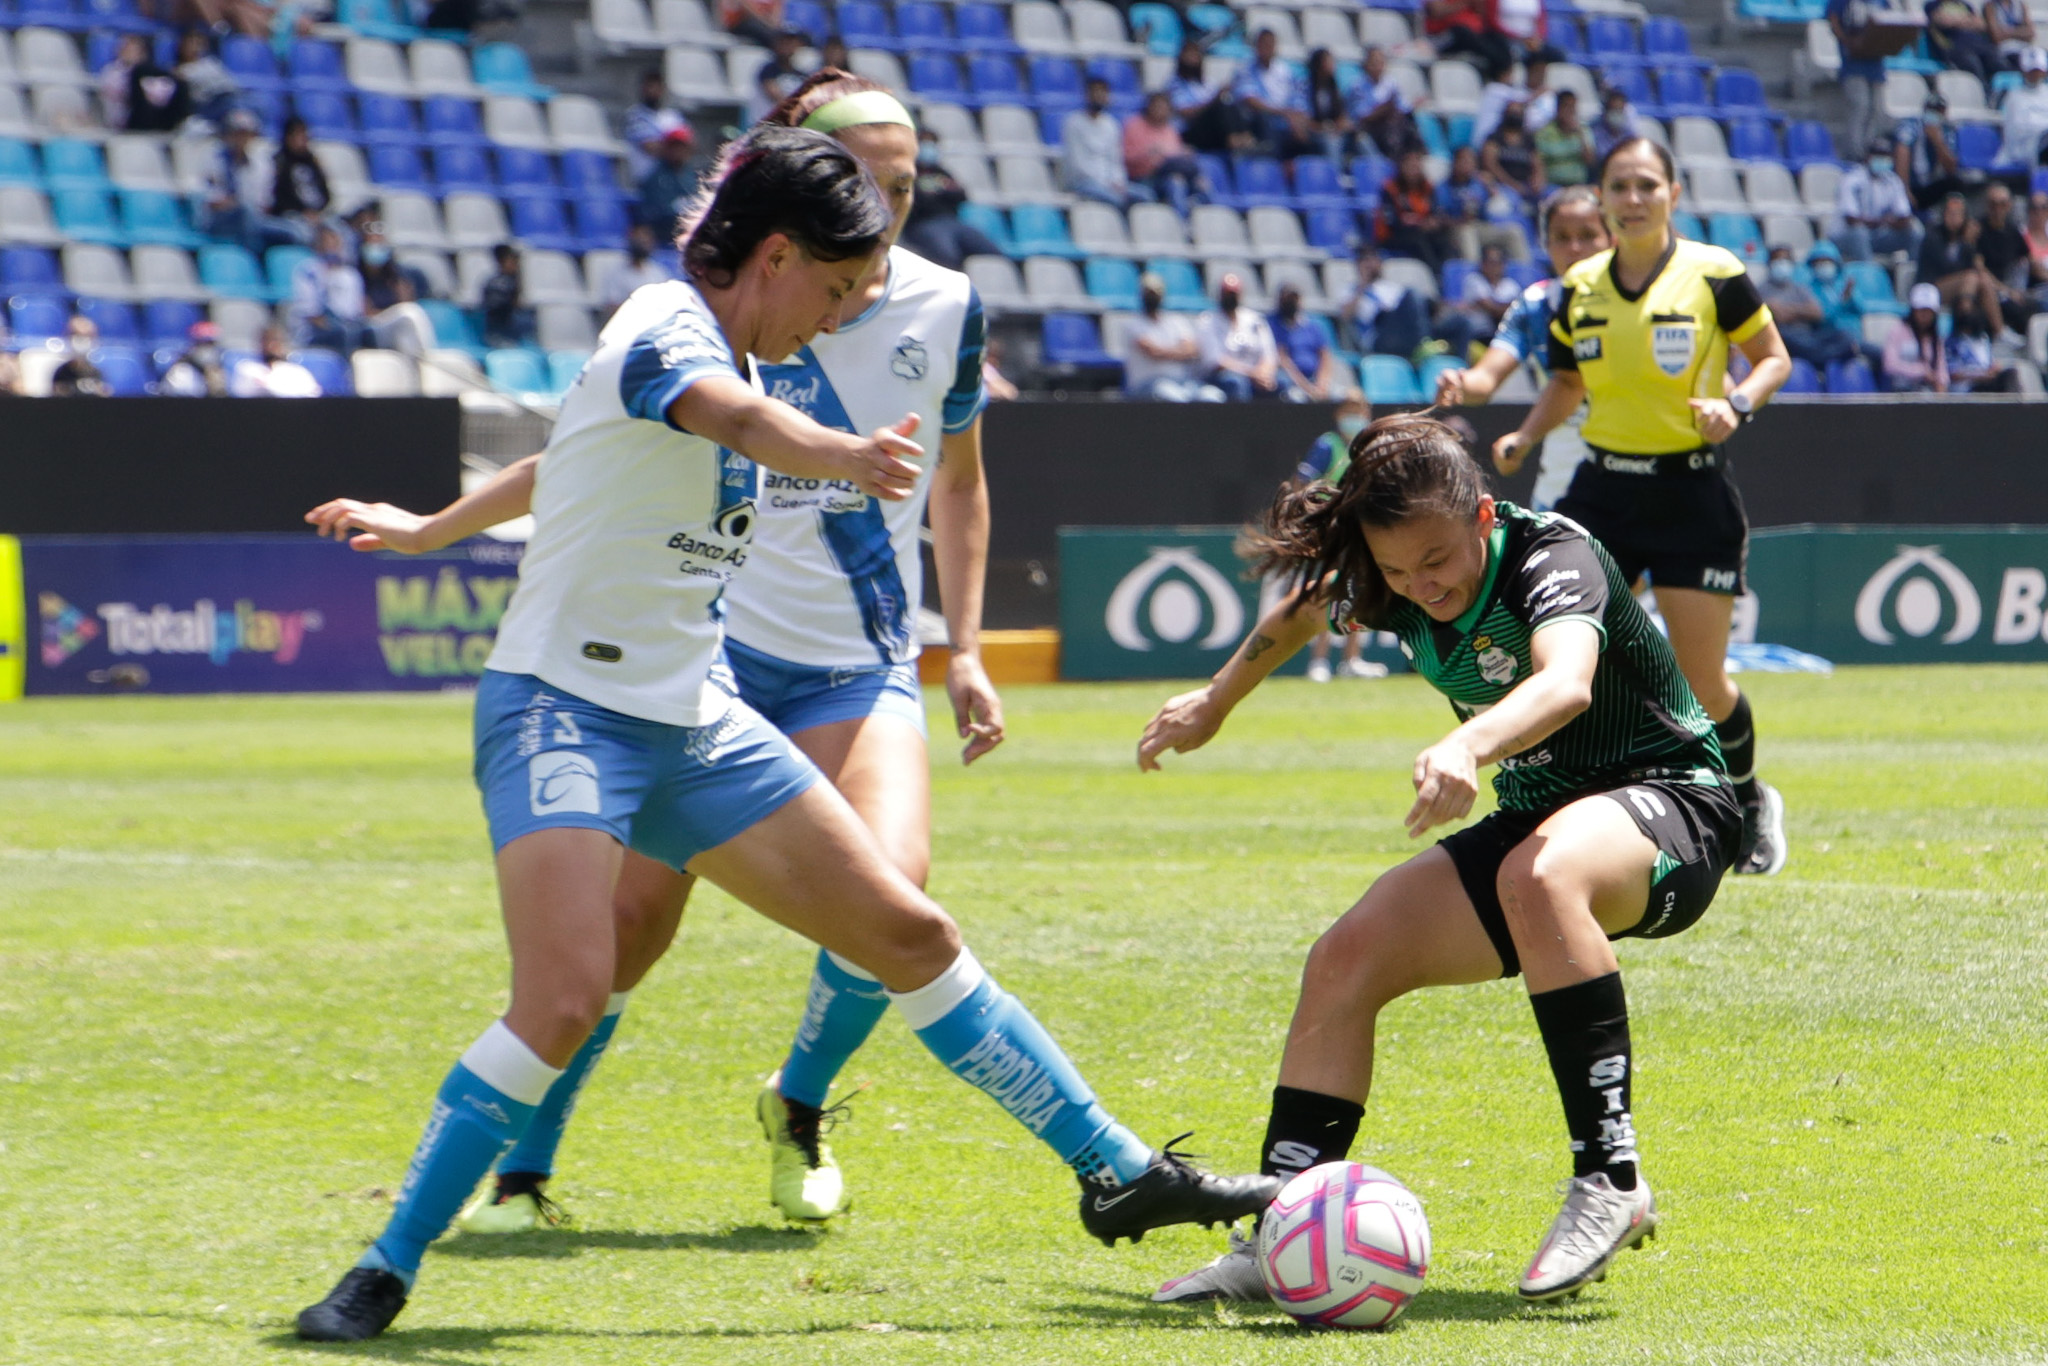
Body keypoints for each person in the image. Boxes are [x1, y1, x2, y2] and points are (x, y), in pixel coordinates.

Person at [291, 125, 1275, 1343]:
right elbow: (738, 430)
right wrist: (850, 455)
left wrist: (432, 526)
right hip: (560, 709)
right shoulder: (667, 326)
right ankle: (384, 1265)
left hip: (691, 719)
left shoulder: (729, 363)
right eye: (833, 288)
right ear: (769, 255)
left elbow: (573, 452)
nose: (838, 315)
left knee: (907, 927)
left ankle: (1117, 1170)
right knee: (564, 995)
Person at [1141, 414, 1741, 1306]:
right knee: (1347, 956)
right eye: (1394, 571)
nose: (1419, 586)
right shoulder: (1386, 582)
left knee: (1540, 875)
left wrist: (1470, 749)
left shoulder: (1554, 556)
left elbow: (1565, 682)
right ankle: (1280, 1229)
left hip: (1675, 804)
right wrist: (1217, 702)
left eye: (1435, 561)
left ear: (1483, 519)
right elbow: (1303, 610)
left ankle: (1609, 1181)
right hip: (1543, 819)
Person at [1493, 137, 1793, 878]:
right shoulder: (1579, 287)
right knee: (1559, 660)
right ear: (1601, 198)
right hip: (1604, 496)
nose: (1632, 199)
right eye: (1618, 187)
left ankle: (1750, 802)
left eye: (1646, 185)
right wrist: (1525, 436)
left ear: (1673, 193)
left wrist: (1738, 405)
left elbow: (1774, 358)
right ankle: (1564, 807)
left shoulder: (1715, 274)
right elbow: (1565, 383)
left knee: (1702, 683)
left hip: (1692, 493)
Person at [1436, 184, 1610, 509]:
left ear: (1611, 238)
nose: (1575, 247)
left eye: (1588, 235)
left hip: (1634, 484)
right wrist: (1460, 383)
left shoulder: (1641, 302)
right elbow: (1485, 380)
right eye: (1561, 237)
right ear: (1546, 243)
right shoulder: (1535, 305)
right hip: (1560, 489)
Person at [1292, 394, 1388, 684]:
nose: (1355, 417)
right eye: (1350, 411)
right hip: (1333, 528)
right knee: (1330, 592)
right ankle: (1319, 661)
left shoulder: (1370, 446)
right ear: (1338, 414)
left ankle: (1351, 659)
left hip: (1364, 528)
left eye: (1360, 411)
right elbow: (1301, 482)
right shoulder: (1327, 445)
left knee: (1361, 592)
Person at [902, 129, 1004, 270]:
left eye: (931, 143)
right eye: (924, 143)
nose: (928, 148)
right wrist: (942, 191)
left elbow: (962, 195)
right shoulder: (907, 172)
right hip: (923, 225)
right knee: (947, 257)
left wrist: (936, 193)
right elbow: (917, 201)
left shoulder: (940, 171)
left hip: (952, 222)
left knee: (991, 253)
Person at [201, 109, 295, 254]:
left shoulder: (261, 164)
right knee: (246, 211)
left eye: (245, 134)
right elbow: (213, 201)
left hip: (254, 217)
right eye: (237, 134)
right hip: (220, 220)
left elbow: (264, 202)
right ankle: (251, 256)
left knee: (293, 231)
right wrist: (235, 204)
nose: (241, 139)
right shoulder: (215, 160)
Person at [1121, 270, 1224, 401]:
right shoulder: (1133, 324)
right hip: (1147, 384)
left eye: (1155, 293)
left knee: (1212, 396)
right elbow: (1153, 352)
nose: (1152, 297)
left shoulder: (1176, 321)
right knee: (1174, 397)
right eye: (1148, 293)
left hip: (1182, 382)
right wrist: (1179, 352)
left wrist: (1165, 352)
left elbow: (1193, 350)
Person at [1760, 243, 1861, 367]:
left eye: (1786, 260)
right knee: (1785, 337)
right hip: (1787, 336)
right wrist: (1802, 311)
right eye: (1778, 260)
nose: (1782, 264)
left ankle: (1823, 356)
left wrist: (1788, 310)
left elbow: (1817, 313)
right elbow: (1780, 317)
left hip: (1809, 335)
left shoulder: (1799, 288)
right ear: (1769, 263)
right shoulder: (1761, 291)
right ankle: (1831, 356)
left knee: (1844, 336)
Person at [1918, 190, 2005, 333]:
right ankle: (1965, 325)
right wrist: (1966, 243)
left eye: (1958, 214)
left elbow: (1973, 267)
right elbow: (1946, 268)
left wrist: (1970, 246)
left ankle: (1999, 331)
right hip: (1931, 287)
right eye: (1950, 214)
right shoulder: (1933, 237)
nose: (1954, 218)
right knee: (1970, 278)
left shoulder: (1964, 240)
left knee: (1981, 279)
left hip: (1963, 287)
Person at [1831, 136, 1924, 261]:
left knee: (1914, 233)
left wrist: (1886, 222)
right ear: (1868, 157)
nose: (1882, 159)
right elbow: (1851, 220)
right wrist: (1884, 221)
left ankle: (1913, 275)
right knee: (1860, 233)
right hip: (1845, 237)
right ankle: (1871, 276)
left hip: (1878, 235)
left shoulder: (1893, 181)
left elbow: (1904, 218)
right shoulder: (1852, 179)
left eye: (1885, 156)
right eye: (1878, 155)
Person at [1198, 272, 1283, 400]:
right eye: (1227, 294)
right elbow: (1216, 361)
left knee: (1281, 382)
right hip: (1223, 376)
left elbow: (1269, 355)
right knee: (1237, 383)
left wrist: (1264, 373)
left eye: (1233, 294)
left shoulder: (1255, 319)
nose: (1230, 297)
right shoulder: (1208, 321)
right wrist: (1252, 373)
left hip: (1256, 374)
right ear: (1220, 294)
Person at [1341, 245, 1437, 357]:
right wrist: (1363, 286)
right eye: (1365, 261)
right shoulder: (1351, 290)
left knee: (1457, 321)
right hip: (1377, 338)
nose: (1370, 265)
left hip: (1403, 332)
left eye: (1374, 260)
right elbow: (1345, 316)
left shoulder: (1391, 288)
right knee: (1411, 294)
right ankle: (1424, 344)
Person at [1063, 77, 1146, 208]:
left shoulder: (1111, 124)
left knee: (1146, 196)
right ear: (1087, 95)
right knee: (1116, 200)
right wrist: (1105, 183)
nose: (1099, 96)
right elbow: (1077, 163)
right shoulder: (1074, 123)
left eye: (1103, 93)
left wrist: (1118, 181)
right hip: (1083, 182)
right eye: (1095, 92)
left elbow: (1115, 159)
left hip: (1110, 182)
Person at [1440, 144, 1529, 262]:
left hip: (1481, 227)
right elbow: (1441, 218)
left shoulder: (1479, 184)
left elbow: (1498, 203)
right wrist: (1461, 220)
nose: (1468, 163)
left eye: (1471, 160)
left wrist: (1489, 185)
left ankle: (1524, 272)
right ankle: (1473, 274)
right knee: (1467, 232)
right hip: (1456, 229)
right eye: (1464, 160)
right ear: (1455, 163)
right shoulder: (1444, 187)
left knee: (1514, 232)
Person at [357, 225, 438, 355]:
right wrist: (393, 312)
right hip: (370, 328)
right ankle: (427, 357)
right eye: (372, 243)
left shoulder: (395, 274)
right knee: (408, 314)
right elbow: (366, 313)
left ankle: (421, 361)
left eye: (379, 243)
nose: (376, 248)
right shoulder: (357, 276)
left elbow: (407, 301)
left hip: (396, 325)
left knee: (407, 326)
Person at [1124, 91, 1206, 217]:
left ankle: (1210, 224)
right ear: (1149, 107)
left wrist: (1184, 153)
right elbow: (1125, 158)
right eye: (1157, 106)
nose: (1161, 110)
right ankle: (1181, 224)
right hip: (1145, 178)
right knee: (1175, 182)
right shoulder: (1134, 126)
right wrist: (1147, 153)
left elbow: (1175, 156)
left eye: (1164, 107)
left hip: (1169, 173)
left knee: (1202, 183)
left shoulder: (1170, 130)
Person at [1827, 0, 1890, 160]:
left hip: (1876, 63)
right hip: (1853, 63)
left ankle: (1871, 150)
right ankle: (1854, 153)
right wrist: (1847, 41)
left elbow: (1890, 20)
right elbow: (1833, 19)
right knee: (1859, 106)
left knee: (1876, 110)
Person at [1233, 29, 1310, 158]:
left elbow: (1297, 97)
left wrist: (1296, 116)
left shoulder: (1285, 70)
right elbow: (1250, 100)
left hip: (1285, 118)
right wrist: (1283, 113)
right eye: (1263, 44)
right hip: (1259, 119)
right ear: (1257, 46)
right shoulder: (1245, 70)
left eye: (1270, 44)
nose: (1267, 48)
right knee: (1267, 122)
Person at [290, 225, 367, 352]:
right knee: (343, 334)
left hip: (346, 326)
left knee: (367, 333)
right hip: (313, 332)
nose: (331, 245)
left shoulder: (351, 274)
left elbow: (354, 312)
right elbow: (311, 314)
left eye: (335, 241)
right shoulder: (308, 271)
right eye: (327, 241)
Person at [1975, 181, 2039, 330]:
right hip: (1990, 290)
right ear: (1987, 205)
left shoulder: (2012, 230)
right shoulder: (1977, 231)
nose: (1997, 209)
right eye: (1993, 204)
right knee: (2019, 313)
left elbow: (2032, 262)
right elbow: (1980, 270)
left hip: (2011, 287)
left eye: (2002, 204)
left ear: (2009, 205)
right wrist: (2008, 292)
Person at [1377, 147, 1451, 274]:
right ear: (1402, 166)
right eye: (1410, 164)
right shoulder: (1390, 189)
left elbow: (1434, 212)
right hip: (1394, 234)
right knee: (1418, 240)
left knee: (1443, 239)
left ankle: (1448, 275)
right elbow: (1391, 221)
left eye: (1417, 164)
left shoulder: (1427, 188)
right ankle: (1435, 274)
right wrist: (1417, 222)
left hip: (1422, 230)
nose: (1414, 168)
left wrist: (1433, 222)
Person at [1270, 283, 1344, 401]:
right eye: (1287, 298)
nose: (1290, 302)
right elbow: (1283, 360)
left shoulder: (1313, 326)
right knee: (1295, 398)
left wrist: (1322, 384)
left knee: (1342, 397)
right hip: (1293, 383)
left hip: (1315, 380)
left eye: (1293, 298)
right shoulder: (1273, 326)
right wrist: (1307, 387)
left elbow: (1325, 357)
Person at [1474, 54, 1558, 149]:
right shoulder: (1494, 89)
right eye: (1510, 73)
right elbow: (1516, 102)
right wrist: (1537, 94)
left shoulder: (1513, 92)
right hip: (1485, 140)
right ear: (1503, 74)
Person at [1349, 46, 1420, 158]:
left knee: (1410, 128)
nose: (1377, 66)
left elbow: (1403, 106)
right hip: (1370, 128)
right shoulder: (1358, 87)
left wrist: (1413, 105)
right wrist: (1381, 109)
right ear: (1366, 64)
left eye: (1380, 62)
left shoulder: (1391, 83)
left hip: (1391, 126)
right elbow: (1360, 115)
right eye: (1374, 62)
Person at [268, 117, 332, 238]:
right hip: (292, 214)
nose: (303, 139)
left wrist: (318, 212)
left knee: (340, 232)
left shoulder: (313, 162)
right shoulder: (279, 163)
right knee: (304, 233)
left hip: (318, 214)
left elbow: (326, 193)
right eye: (298, 135)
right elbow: (279, 196)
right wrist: (303, 212)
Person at [637, 126, 702, 242]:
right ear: (665, 148)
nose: (678, 151)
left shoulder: (693, 175)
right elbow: (654, 213)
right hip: (663, 238)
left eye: (682, 146)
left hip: (690, 238)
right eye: (674, 146)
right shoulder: (655, 178)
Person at [1945, 289, 2020, 388]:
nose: (1968, 314)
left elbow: (1990, 365)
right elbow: (1953, 373)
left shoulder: (1983, 339)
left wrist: (1995, 368)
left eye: (1971, 309)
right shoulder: (1951, 342)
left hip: (1986, 383)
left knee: (2010, 374)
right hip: (1967, 388)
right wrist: (1981, 375)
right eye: (1963, 311)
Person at [624, 70, 689, 183]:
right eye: (650, 86)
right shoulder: (635, 115)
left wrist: (676, 150)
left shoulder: (673, 115)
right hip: (648, 177)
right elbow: (650, 147)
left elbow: (690, 145)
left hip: (676, 175)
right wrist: (675, 150)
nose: (653, 91)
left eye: (657, 87)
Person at [1481, 103, 1546, 216]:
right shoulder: (1495, 138)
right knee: (1512, 206)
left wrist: (1538, 181)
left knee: (1551, 198)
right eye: (1512, 113)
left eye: (1518, 113)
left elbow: (1537, 164)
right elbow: (1491, 165)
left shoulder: (1528, 140)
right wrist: (1513, 185)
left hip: (1527, 185)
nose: (1515, 116)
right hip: (1502, 185)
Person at [1883, 281, 1950, 389]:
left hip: (1927, 391)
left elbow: (1941, 369)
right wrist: (1920, 371)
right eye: (1921, 310)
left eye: (1928, 311)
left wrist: (1941, 382)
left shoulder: (1936, 339)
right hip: (1900, 390)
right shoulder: (1898, 331)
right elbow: (1890, 365)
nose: (1924, 315)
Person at [1425, 0, 1513, 82]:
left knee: (1498, 39)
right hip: (1448, 34)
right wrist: (1464, 3)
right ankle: (1499, 76)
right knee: (1462, 32)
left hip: (1475, 32)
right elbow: (1436, 11)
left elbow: (1483, 14)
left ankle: (1502, 77)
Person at [175, 28, 241, 128]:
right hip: (206, 105)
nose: (195, 47)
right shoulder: (180, 70)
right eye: (191, 43)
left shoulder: (211, 62)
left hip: (227, 98)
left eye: (198, 43)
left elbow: (229, 84)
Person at [602, 223, 676, 311]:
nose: (643, 244)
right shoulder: (617, 274)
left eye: (646, 241)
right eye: (640, 241)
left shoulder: (657, 271)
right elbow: (612, 305)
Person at [232, 324, 322, 396]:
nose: (271, 345)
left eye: (276, 341)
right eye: (266, 340)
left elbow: (312, 394)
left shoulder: (297, 372)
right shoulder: (247, 369)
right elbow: (241, 394)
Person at [1454, 241, 1522, 336]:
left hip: (1503, 333)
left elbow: (1519, 309)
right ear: (1482, 264)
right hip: (1476, 335)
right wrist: (1509, 307)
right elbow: (1492, 309)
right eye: (1490, 262)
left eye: (1498, 262)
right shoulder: (1474, 280)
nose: (1494, 267)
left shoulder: (1511, 285)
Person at [1927, 0, 2002, 83]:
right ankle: (1983, 91)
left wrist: (1956, 20)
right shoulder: (1933, 5)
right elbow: (1944, 21)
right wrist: (1968, 20)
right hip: (1954, 48)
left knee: (1998, 62)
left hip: (1977, 46)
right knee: (1973, 64)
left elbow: (1981, 24)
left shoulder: (1966, 5)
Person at [1302, 48, 1354, 164]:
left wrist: (1342, 125)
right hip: (1315, 133)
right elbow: (1305, 120)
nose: (1333, 65)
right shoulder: (1306, 89)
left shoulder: (1335, 88)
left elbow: (1342, 116)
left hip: (1334, 131)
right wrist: (1327, 127)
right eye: (1329, 61)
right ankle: (1336, 177)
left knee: (1362, 139)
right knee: (1331, 142)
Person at [1999, 47, 2048, 167]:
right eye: (2031, 71)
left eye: (2038, 70)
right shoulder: (2014, 97)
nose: (2034, 75)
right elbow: (2016, 132)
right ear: (2023, 71)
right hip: (2022, 151)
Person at [749, 26, 809, 123]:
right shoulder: (768, 71)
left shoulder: (801, 74)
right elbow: (776, 96)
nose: (788, 46)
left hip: (791, 126)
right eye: (784, 42)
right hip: (766, 126)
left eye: (792, 42)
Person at [1534, 90, 1594, 187]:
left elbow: (1590, 161)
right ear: (1558, 108)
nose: (1570, 111)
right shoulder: (1544, 133)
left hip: (1577, 184)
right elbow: (1539, 161)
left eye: (1572, 107)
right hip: (1553, 185)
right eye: (1566, 107)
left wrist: (1580, 136)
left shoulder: (1583, 130)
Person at [481, 243, 536, 348]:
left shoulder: (515, 281)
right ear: (502, 261)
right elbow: (494, 309)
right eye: (512, 260)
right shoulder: (496, 284)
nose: (516, 264)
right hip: (498, 333)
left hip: (515, 334)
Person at [159, 319, 231, 396]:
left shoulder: (227, 369)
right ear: (194, 345)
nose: (208, 349)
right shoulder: (181, 373)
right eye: (203, 344)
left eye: (211, 344)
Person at [50, 315, 108, 396]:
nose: (81, 340)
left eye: (87, 336)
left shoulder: (96, 373)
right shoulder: (61, 373)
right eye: (76, 335)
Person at [1591, 85, 1638, 161]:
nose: (1617, 114)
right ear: (1606, 111)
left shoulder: (1629, 132)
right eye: (1614, 110)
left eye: (1620, 111)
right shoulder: (1595, 130)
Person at [1989, 0, 2037, 65]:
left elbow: (2031, 33)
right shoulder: (1991, 6)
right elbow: (1997, 36)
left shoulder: (2020, 5)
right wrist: (2021, 31)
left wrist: (2008, 32)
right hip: (2005, 50)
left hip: (2025, 49)